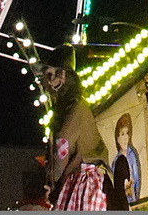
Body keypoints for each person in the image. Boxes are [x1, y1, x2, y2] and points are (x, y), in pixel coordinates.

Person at [41, 45, 116, 211]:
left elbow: (62, 144)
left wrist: (53, 182)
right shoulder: (69, 106)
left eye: (49, 74)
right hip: (79, 178)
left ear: (62, 76)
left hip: (84, 180)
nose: (44, 80)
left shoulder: (73, 106)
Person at [110, 113, 140, 205]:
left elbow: (136, 183)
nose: (125, 138)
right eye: (122, 134)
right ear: (117, 138)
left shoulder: (132, 155)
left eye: (127, 133)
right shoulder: (115, 162)